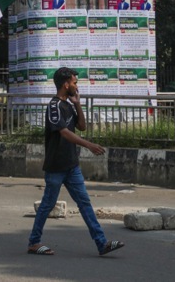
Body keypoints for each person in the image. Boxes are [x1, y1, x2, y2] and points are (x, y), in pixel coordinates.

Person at [27, 67, 124, 257]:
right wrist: (89, 145)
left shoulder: (68, 105)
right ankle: (33, 242)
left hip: (71, 166)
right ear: (65, 84)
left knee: (84, 203)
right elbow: (63, 131)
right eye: (74, 82)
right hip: (56, 166)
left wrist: (77, 104)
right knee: (48, 204)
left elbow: (81, 126)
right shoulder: (53, 106)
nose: (76, 85)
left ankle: (102, 243)